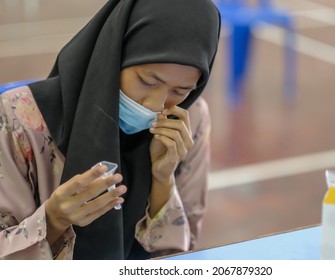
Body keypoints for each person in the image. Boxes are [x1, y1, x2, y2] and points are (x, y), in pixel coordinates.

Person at [0, 0, 220, 260]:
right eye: (147, 81)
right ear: (114, 54)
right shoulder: (19, 117)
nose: (156, 105)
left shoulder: (190, 120)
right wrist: (54, 219)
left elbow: (184, 255)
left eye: (180, 91)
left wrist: (163, 181)